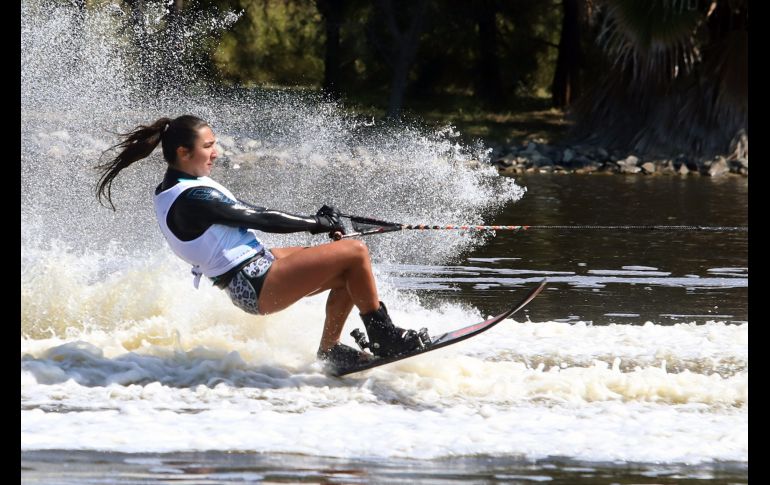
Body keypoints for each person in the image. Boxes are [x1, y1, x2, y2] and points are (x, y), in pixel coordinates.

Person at [96, 114, 427, 372]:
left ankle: (331, 352)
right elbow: (257, 217)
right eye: (208, 146)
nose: (216, 152)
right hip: (253, 285)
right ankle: (385, 337)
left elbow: (251, 220)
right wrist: (317, 223)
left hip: (257, 269)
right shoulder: (191, 198)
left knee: (347, 269)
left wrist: (325, 227)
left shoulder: (179, 185)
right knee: (355, 252)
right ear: (184, 153)